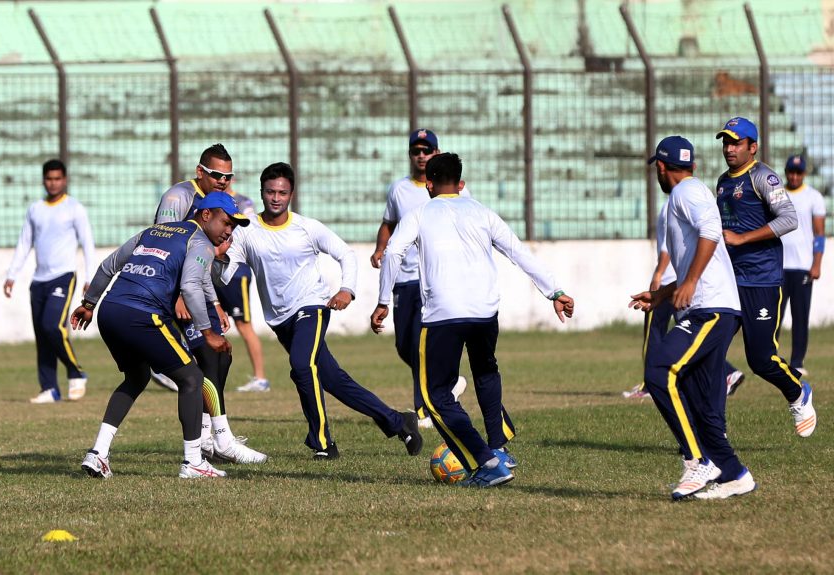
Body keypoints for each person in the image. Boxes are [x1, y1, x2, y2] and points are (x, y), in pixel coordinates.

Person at [371, 153, 574, 488]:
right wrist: (555, 292)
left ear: (430, 185)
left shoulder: (420, 213)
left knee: (434, 395)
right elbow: (518, 251)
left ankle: (486, 462)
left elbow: (392, 252)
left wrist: (382, 301)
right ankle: (498, 446)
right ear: (461, 183)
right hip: (484, 312)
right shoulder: (481, 211)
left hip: (443, 315)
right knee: (485, 371)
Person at [218, 162, 423, 460]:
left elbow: (346, 254)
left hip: (312, 307)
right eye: (270, 191)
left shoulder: (307, 227)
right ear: (262, 192)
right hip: (281, 320)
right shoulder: (247, 231)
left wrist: (346, 289)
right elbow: (226, 274)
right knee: (334, 380)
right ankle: (398, 421)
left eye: (282, 192)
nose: (276, 198)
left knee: (302, 366)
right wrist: (217, 257)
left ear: (291, 194)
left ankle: (323, 443)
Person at [71, 192, 252, 479]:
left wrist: (89, 304)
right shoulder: (201, 241)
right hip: (143, 315)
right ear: (206, 215)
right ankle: (193, 461)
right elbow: (191, 286)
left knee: (136, 377)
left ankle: (98, 454)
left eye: (234, 226)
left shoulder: (153, 231)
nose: (229, 231)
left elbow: (108, 266)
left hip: (110, 311)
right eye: (226, 222)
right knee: (192, 378)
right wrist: (208, 333)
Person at [630, 136, 755, 500]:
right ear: (693, 165)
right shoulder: (686, 194)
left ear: (661, 167)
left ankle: (695, 460)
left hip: (710, 308)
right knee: (698, 400)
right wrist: (662, 294)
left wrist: (691, 282)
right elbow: (692, 253)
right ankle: (734, 475)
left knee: (658, 370)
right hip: (709, 305)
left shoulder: (685, 193)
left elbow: (711, 233)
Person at [154, 143, 266, 463]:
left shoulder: (217, 203)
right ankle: (221, 438)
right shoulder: (179, 197)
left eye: (228, 175)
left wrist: (214, 302)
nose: (222, 180)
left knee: (222, 358)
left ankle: (206, 435)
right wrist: (176, 296)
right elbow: (165, 245)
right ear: (199, 172)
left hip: (199, 291)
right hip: (175, 293)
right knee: (206, 356)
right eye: (216, 174)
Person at [714, 117, 816, 437]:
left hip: (761, 281)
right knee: (709, 354)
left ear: (752, 147)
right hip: (730, 281)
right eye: (725, 142)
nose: (729, 148)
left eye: (736, 143)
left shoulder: (763, 176)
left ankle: (798, 393)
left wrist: (743, 239)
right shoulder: (722, 181)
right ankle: (714, 434)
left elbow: (789, 219)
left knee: (760, 359)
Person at [370, 129, 468, 428]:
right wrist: (380, 248)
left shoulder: (453, 188)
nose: (421, 155)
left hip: (432, 277)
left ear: (436, 153)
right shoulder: (399, 190)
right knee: (403, 345)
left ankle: (424, 408)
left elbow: (467, 221)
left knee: (418, 344)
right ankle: (447, 383)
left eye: (427, 150)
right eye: (416, 151)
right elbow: (388, 224)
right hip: (403, 276)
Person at [4, 159, 96, 404]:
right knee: (41, 335)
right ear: (43, 180)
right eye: (49, 179)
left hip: (64, 276)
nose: (53, 183)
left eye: (57, 179)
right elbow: (25, 242)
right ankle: (50, 389)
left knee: (52, 326)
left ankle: (76, 372)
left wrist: (90, 278)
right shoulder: (35, 209)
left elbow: (87, 243)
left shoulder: (74, 208)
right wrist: (12, 274)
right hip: (39, 280)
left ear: (64, 180)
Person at [215, 181, 272, 393]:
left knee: (243, 325)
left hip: (237, 273)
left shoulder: (242, 202)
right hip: (214, 271)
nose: (221, 181)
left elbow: (251, 228)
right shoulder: (209, 200)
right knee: (209, 323)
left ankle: (260, 378)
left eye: (225, 177)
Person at [777, 155, 826, 376]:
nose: (794, 176)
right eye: (790, 172)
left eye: (798, 173)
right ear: (786, 172)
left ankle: (797, 361)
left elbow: (820, 234)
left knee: (800, 316)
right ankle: (770, 358)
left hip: (803, 266)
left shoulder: (813, 197)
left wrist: (816, 263)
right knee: (773, 316)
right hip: (778, 266)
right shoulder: (777, 194)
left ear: (804, 174)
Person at [623, 199, 675, 400]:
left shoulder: (671, 204)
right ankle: (727, 373)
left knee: (653, 335)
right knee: (690, 332)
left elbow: (666, 246)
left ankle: (650, 385)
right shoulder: (695, 198)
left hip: (668, 281)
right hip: (684, 280)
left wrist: (659, 273)